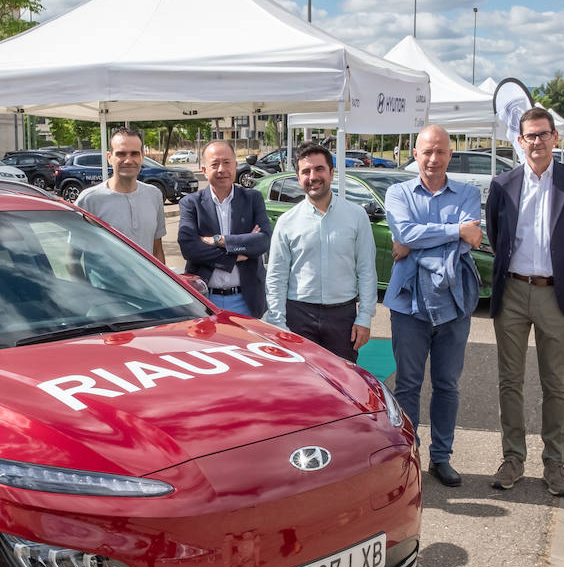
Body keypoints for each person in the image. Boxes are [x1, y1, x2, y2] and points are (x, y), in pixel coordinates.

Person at [486, 107, 564, 496]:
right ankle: (513, 458)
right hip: (513, 292)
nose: (537, 141)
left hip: (554, 292)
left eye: (543, 134)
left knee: (555, 383)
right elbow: (497, 234)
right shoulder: (503, 185)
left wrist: (561, 268)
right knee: (509, 382)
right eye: (530, 136)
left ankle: (555, 464)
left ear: (555, 138)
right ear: (520, 140)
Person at [383, 125, 483, 487]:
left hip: (454, 305)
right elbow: (405, 233)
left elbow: (468, 241)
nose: (433, 158)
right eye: (427, 151)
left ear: (450, 155)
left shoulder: (469, 194)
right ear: (415, 153)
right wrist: (454, 231)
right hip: (409, 306)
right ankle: (411, 456)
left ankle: (441, 457)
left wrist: (419, 238)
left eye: (440, 151)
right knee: (408, 384)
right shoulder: (398, 192)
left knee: (447, 385)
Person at [264, 144, 376, 362]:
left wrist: (365, 318)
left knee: (343, 384)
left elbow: (366, 270)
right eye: (305, 172)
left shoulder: (356, 216)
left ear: (332, 173)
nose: (313, 176)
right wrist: (278, 323)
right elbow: (276, 277)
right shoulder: (287, 222)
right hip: (298, 316)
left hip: (342, 317)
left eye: (319, 169)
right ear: (298, 178)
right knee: (301, 385)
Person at [177, 141, 272, 315]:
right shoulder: (191, 203)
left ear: (235, 166)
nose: (221, 169)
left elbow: (263, 241)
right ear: (204, 170)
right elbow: (190, 248)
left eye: (227, 162)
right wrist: (236, 256)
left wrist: (220, 241)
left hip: (246, 300)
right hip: (205, 300)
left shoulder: (253, 199)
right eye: (214, 164)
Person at [74, 127, 166, 263]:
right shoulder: (89, 200)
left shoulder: (154, 195)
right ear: (109, 158)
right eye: (121, 154)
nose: (128, 160)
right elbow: (73, 255)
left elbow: (157, 249)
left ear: (142, 157)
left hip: (146, 284)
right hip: (104, 285)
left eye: (134, 154)